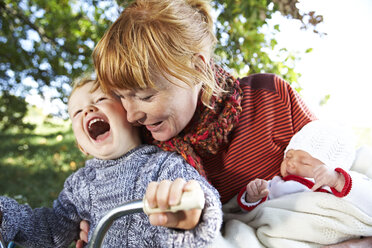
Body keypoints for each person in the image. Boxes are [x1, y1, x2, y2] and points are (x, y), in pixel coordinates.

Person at [78, 0, 372, 246]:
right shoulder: (145, 144)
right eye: (121, 97)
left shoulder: (267, 97)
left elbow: (330, 158)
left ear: (196, 68)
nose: (131, 115)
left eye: (145, 96)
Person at [0, 78, 222, 248]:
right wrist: (7, 217)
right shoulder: (80, 184)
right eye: (77, 112)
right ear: (82, 146)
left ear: (131, 115)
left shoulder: (163, 164)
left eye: (101, 100)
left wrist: (193, 207)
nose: (88, 110)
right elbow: (49, 231)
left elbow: (201, 195)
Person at [238, 120, 372, 217]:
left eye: (304, 162)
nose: (291, 163)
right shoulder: (275, 184)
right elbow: (253, 211)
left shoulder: (333, 186)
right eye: (288, 156)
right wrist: (253, 197)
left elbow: (366, 199)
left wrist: (337, 179)